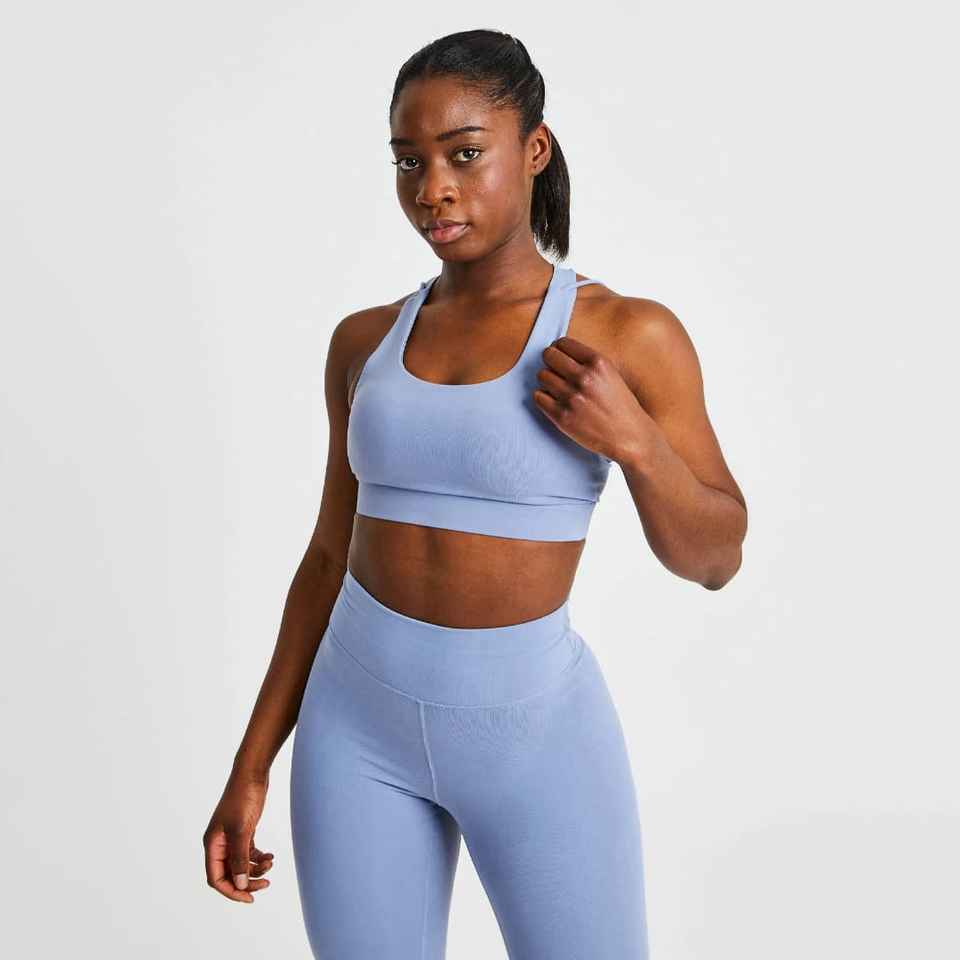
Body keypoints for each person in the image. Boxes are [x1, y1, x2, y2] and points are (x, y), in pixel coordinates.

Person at [202, 28, 747, 960]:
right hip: (353, 732)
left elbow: (716, 558)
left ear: (534, 149)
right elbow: (329, 557)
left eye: (463, 154)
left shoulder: (627, 333)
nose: (432, 189)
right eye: (408, 161)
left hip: (535, 737)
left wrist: (636, 442)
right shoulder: (363, 343)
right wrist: (252, 764)